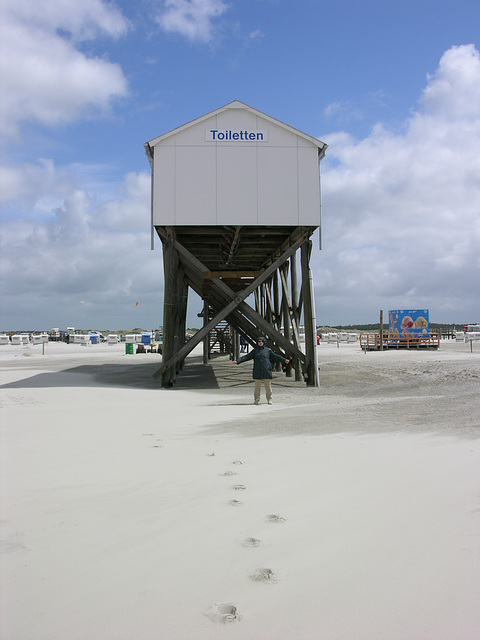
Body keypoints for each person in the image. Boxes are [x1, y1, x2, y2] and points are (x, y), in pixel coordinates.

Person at [233, 337, 289, 405]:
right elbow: (246, 357)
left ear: (264, 342)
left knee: (268, 386)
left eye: (261, 341)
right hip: (257, 370)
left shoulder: (268, 350)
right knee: (257, 387)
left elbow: (276, 356)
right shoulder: (255, 351)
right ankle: (256, 399)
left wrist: (284, 360)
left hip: (266, 370)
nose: (260, 342)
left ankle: (269, 399)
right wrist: (238, 361)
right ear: (257, 342)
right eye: (259, 341)